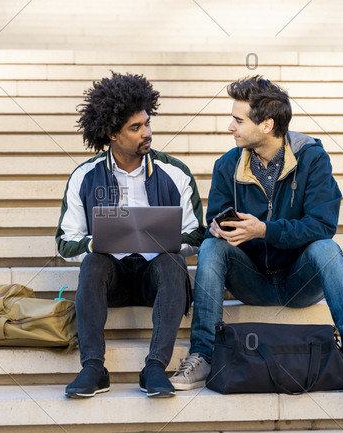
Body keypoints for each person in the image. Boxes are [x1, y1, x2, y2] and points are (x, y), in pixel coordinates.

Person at [169, 75, 343, 396]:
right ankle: (204, 354)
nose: (230, 127)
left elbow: (322, 225)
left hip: (300, 281)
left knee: (327, 248)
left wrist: (264, 230)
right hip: (251, 279)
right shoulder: (227, 165)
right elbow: (218, 216)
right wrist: (218, 227)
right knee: (212, 246)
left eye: (238, 120)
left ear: (266, 125)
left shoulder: (312, 158)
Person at [56, 72, 205, 398]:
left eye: (147, 123)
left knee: (173, 263)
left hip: (156, 278)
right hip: (113, 278)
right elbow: (66, 242)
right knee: (93, 262)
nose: (147, 133)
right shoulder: (84, 176)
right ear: (111, 133)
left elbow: (196, 235)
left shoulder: (175, 172)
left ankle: (155, 367)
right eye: (135, 128)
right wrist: (98, 242)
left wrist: (169, 240)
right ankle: (93, 367)